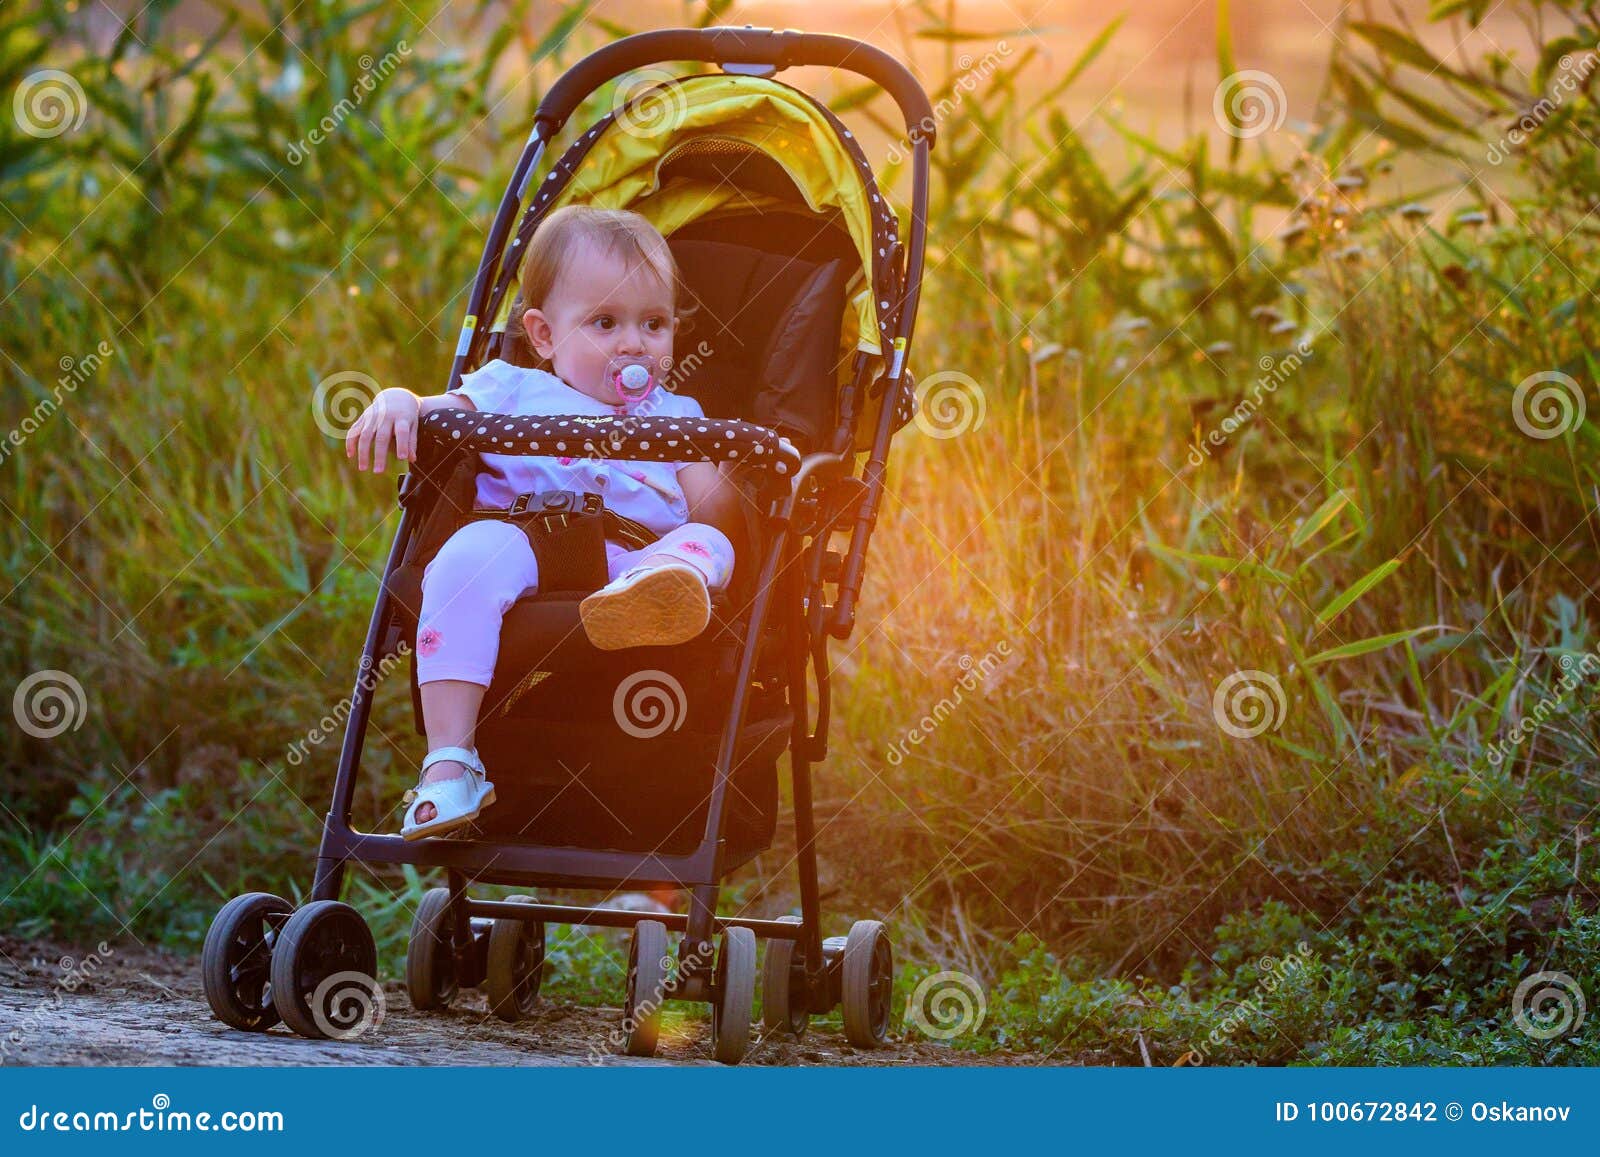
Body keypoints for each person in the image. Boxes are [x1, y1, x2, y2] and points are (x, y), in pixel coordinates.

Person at [344, 206, 745, 840]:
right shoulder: (509, 388)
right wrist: (400, 401)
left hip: (630, 554)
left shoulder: (678, 414)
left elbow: (716, 511)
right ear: (544, 334)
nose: (635, 343)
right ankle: (451, 762)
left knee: (710, 543)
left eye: (655, 324)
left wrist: (716, 460)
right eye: (606, 323)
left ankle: (650, 595)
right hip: (524, 536)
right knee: (459, 560)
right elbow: (436, 412)